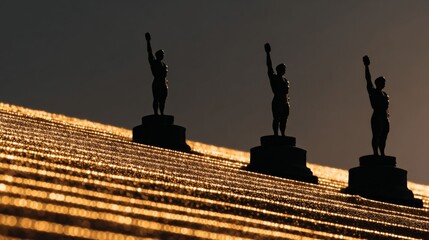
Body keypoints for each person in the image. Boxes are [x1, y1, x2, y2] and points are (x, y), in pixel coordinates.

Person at [363, 55, 389, 156]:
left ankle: (382, 153)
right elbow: (368, 79)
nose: (384, 83)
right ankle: (376, 153)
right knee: (377, 135)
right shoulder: (373, 91)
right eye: (383, 81)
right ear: (378, 83)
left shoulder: (385, 94)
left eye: (384, 81)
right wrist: (366, 66)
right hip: (377, 116)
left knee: (383, 136)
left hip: (385, 117)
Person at [264, 43, 290, 136]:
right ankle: (276, 134)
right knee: (277, 119)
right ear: (279, 69)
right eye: (283, 68)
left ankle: (283, 134)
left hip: (285, 102)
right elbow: (269, 66)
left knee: (284, 119)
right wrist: (268, 53)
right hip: (277, 101)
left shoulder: (285, 80)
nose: (284, 70)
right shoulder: (274, 78)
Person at [145, 32, 168, 115]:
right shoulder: (154, 62)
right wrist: (148, 41)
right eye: (162, 54)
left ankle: (162, 113)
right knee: (156, 99)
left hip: (164, 83)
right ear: (158, 55)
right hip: (157, 82)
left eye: (163, 54)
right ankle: (156, 113)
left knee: (162, 100)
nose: (163, 55)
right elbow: (149, 52)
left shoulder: (164, 65)